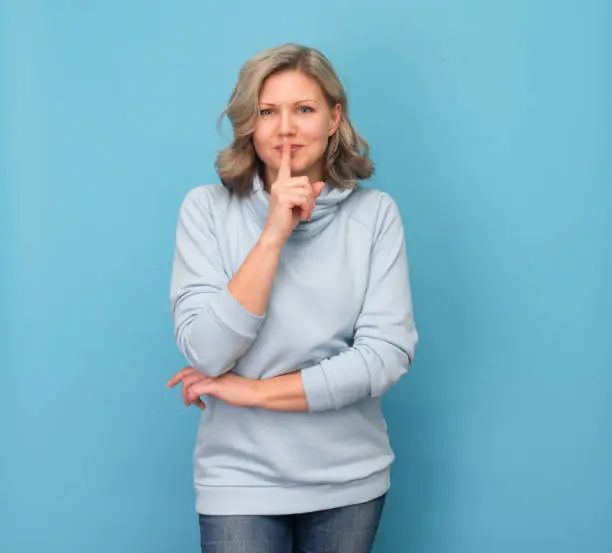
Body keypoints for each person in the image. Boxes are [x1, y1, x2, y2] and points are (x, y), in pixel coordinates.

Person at [166, 43, 418, 553]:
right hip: (238, 481)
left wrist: (250, 392)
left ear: (333, 118)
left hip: (349, 481)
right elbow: (207, 352)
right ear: (249, 124)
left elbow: (384, 359)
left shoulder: (375, 215)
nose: (285, 128)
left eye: (303, 109)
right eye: (267, 111)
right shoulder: (206, 210)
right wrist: (274, 234)